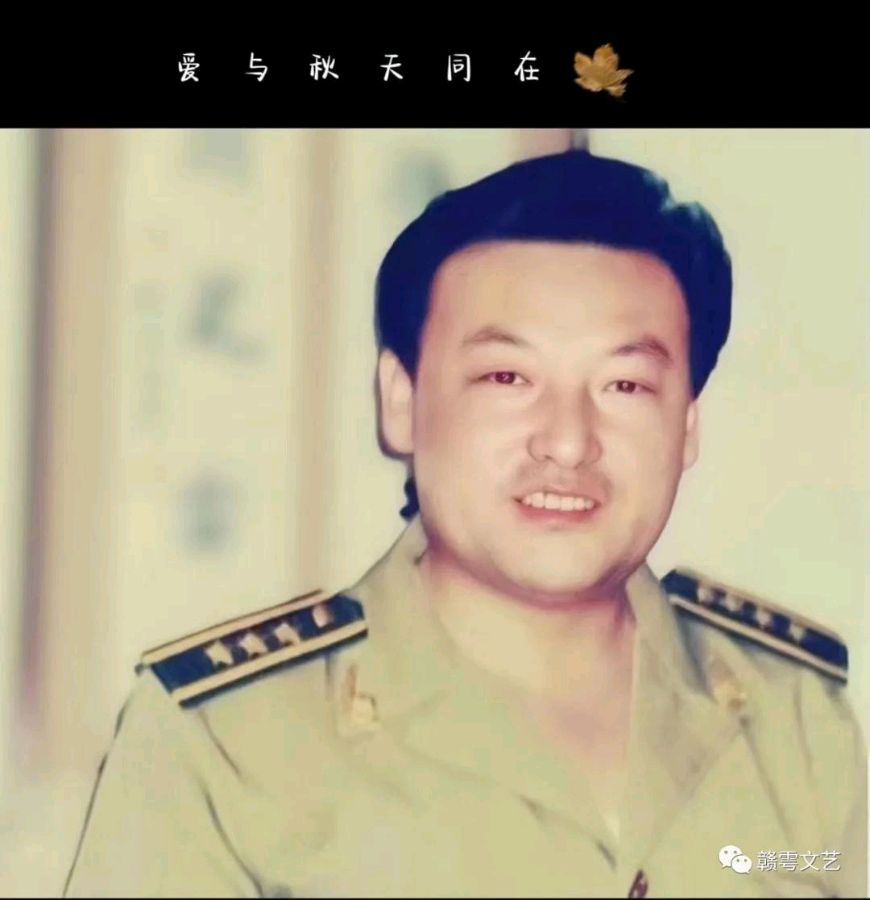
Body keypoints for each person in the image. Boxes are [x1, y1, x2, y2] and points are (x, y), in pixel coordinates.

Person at [64, 150, 866, 897]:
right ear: (402, 401)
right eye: (507, 376)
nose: (567, 442)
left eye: (624, 386)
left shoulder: (793, 718)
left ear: (686, 426)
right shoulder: (226, 744)